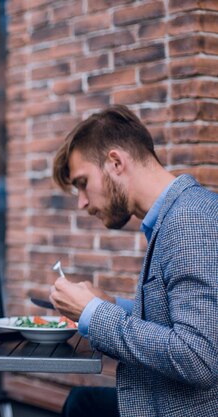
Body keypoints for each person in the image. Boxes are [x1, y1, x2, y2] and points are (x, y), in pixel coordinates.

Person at [50, 105, 218, 417]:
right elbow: (179, 317)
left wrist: (94, 313)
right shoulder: (172, 218)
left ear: (115, 162)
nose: (82, 202)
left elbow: (199, 357)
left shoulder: (189, 222)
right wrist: (112, 304)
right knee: (81, 402)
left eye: (83, 182)